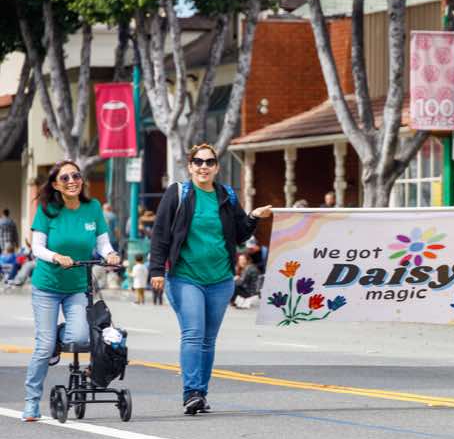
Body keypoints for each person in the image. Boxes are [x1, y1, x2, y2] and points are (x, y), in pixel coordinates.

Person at [149, 143, 273, 415]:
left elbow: (240, 234)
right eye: (198, 161)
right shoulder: (178, 193)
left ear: (216, 167)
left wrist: (254, 216)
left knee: (208, 339)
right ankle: (191, 391)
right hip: (185, 277)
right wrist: (156, 270)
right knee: (193, 334)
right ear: (190, 166)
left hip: (220, 279)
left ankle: (200, 394)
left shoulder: (226, 195)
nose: (203, 166)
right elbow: (160, 233)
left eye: (209, 162)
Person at [21, 160, 121, 421]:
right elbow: (37, 248)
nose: (72, 181)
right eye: (64, 178)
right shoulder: (47, 210)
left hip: (77, 286)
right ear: (56, 185)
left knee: (80, 337)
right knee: (44, 347)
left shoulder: (93, 207)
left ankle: (57, 335)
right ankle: (32, 402)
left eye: (75, 176)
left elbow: (102, 243)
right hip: (47, 286)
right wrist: (56, 256)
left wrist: (110, 254)